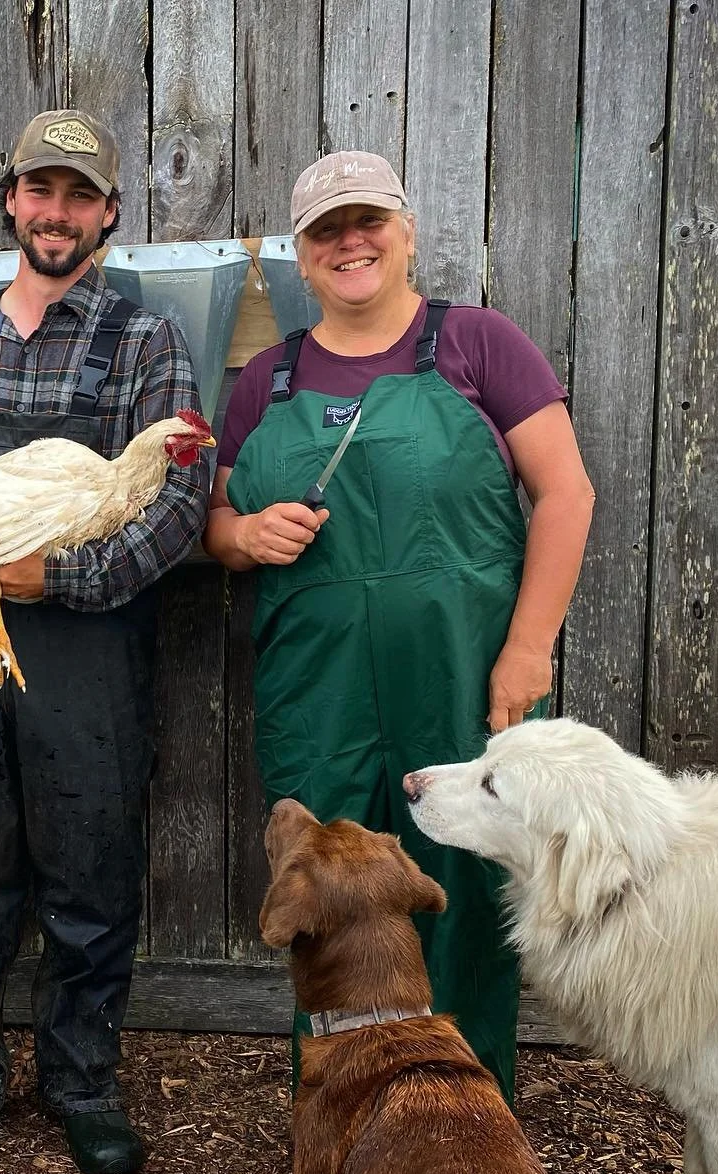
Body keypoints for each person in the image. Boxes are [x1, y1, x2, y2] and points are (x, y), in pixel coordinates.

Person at [203, 152, 595, 1102]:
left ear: (407, 230)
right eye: (327, 230)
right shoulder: (268, 379)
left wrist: (527, 647)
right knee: (325, 890)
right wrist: (247, 532)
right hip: (317, 689)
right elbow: (211, 523)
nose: (351, 242)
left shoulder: (479, 346)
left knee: (458, 886)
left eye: (368, 220)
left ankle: (469, 1106)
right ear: (300, 256)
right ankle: (342, 1109)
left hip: (457, 676)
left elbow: (565, 493)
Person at [0, 109, 206, 1174]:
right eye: (39, 190)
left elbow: (177, 503)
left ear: (107, 213)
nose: (55, 212)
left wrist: (58, 576)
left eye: (79, 195)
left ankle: (80, 1077)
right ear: (10, 201)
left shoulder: (143, 342)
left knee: (89, 865)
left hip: (87, 646)